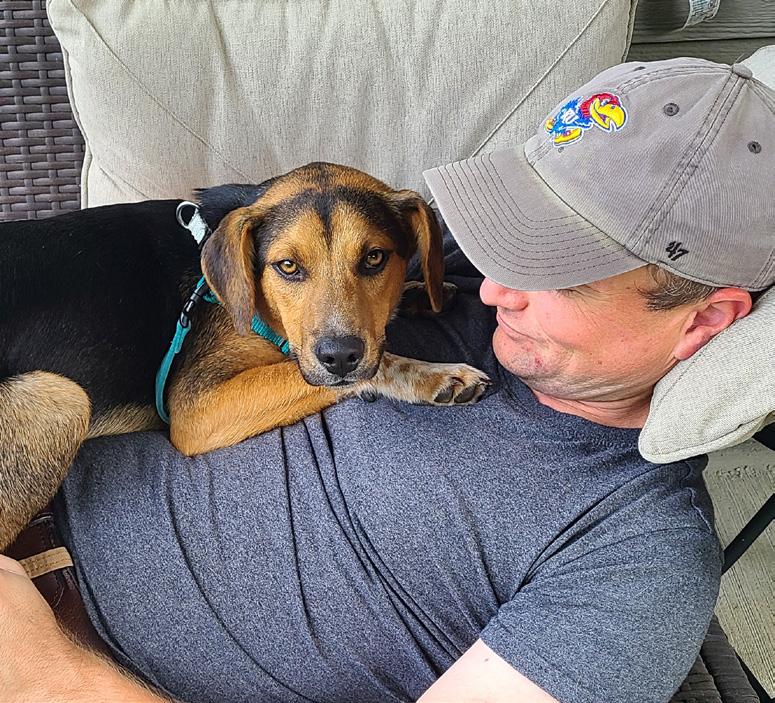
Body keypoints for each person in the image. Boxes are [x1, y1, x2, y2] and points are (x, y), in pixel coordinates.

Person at [1, 57, 772, 703]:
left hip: (60, 642)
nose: (493, 287)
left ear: (702, 320)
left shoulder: (638, 558)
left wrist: (51, 674)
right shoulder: (452, 280)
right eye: (509, 234)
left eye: (558, 272)